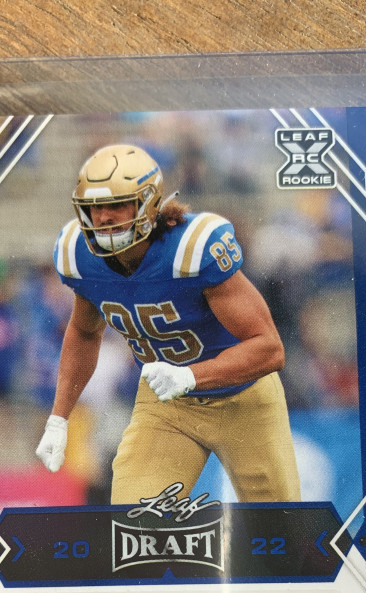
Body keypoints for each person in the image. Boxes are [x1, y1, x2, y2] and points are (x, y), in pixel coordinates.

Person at [35, 143, 300, 505]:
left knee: (279, 529)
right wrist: (59, 418)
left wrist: (191, 375)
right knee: (136, 522)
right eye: (95, 208)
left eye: (116, 205)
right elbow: (84, 331)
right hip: (167, 406)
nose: (103, 218)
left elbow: (269, 348)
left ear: (147, 205)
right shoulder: (79, 255)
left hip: (244, 397)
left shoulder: (192, 249)